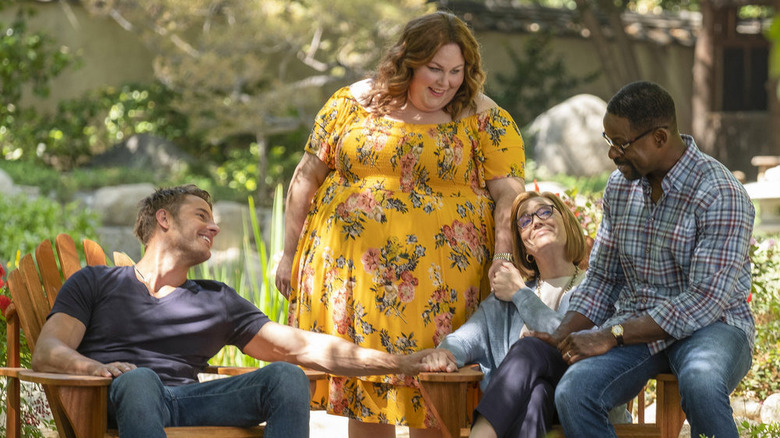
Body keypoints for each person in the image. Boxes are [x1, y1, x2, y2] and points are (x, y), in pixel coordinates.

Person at [31, 185, 457, 438]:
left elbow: (302, 347)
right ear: (163, 219)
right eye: (201, 215)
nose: (214, 227)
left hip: (189, 399)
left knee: (286, 377)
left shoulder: (216, 299)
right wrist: (93, 369)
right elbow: (48, 350)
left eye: (214, 219)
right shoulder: (95, 282)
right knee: (141, 381)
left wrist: (401, 362)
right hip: (116, 398)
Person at [274, 11, 525, 438]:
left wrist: (503, 258)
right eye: (434, 68)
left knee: (435, 398)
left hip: (444, 287)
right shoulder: (350, 104)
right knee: (367, 395)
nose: (445, 82)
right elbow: (306, 177)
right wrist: (288, 252)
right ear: (408, 62)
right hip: (357, 283)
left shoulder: (484, 117)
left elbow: (510, 196)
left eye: (456, 71)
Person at [533, 81, 755, 438]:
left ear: (660, 138)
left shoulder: (720, 193)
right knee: (574, 392)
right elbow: (604, 278)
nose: (612, 154)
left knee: (701, 383)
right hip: (637, 328)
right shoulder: (620, 187)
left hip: (714, 325)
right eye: (609, 142)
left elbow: (704, 301)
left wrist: (612, 334)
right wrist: (562, 333)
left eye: (621, 144)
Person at [433, 191, 628, 438]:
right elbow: (462, 340)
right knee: (536, 393)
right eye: (524, 221)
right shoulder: (505, 298)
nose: (535, 221)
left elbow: (577, 343)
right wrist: (443, 354)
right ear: (524, 247)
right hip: (528, 410)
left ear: (566, 221)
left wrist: (520, 295)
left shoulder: (598, 285)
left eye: (545, 211)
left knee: (530, 348)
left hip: (587, 403)